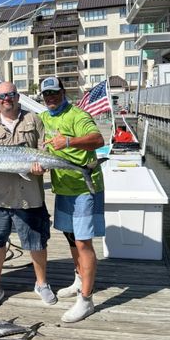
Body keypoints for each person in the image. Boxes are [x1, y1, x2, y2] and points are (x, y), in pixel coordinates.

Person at [0, 81, 57, 311]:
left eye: (10, 94)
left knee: (37, 242)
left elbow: (45, 151)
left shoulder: (34, 120)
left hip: (29, 196)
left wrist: (43, 166)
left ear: (18, 96)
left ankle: (41, 283)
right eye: (1, 96)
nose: (6, 99)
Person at [39, 76, 105, 323]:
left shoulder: (78, 115)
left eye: (55, 93)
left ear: (63, 92)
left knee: (83, 243)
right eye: (47, 95)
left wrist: (68, 141)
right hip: (62, 188)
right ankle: (79, 281)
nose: (51, 98)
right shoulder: (45, 117)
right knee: (70, 237)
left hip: (83, 189)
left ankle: (86, 300)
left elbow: (98, 140)